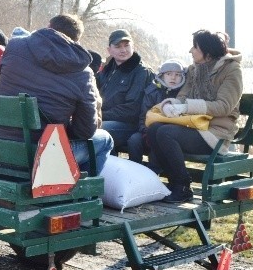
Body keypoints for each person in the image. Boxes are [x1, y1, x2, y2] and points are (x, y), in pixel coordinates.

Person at [0, 14, 113, 173]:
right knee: (105, 140)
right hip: (41, 160)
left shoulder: (14, 47)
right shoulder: (83, 73)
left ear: (48, 26)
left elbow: (0, 87)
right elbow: (85, 132)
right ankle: (81, 195)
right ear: (76, 40)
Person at [147, 31, 242, 202]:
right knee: (154, 129)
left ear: (207, 50)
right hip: (193, 125)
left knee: (165, 133)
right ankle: (175, 182)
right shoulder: (194, 69)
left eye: (195, 47)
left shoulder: (232, 70)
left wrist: (187, 106)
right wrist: (171, 105)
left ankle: (182, 186)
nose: (191, 51)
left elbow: (224, 106)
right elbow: (183, 95)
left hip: (215, 133)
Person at [96, 29, 153, 152]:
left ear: (133, 46)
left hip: (129, 125)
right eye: (118, 46)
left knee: (96, 131)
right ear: (109, 50)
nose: (123, 50)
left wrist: (99, 116)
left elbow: (132, 109)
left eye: (127, 45)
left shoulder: (141, 71)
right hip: (105, 118)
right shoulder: (107, 70)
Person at [127, 59, 186, 165]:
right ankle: (134, 169)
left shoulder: (183, 94)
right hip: (147, 131)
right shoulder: (152, 91)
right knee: (134, 140)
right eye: (169, 74)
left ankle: (153, 173)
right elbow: (143, 116)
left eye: (177, 75)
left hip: (170, 134)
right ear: (162, 75)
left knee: (158, 145)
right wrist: (145, 132)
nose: (173, 78)